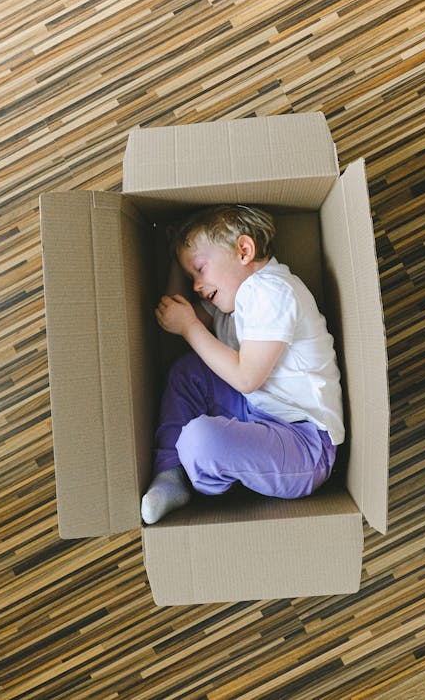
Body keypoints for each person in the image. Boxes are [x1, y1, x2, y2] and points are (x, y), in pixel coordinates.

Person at [141, 204, 344, 524]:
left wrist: (190, 326)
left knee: (201, 438)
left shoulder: (272, 291)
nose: (195, 284)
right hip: (256, 413)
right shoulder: (230, 303)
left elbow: (246, 377)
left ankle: (211, 469)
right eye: (190, 275)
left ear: (244, 250)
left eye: (199, 269)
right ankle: (170, 475)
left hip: (304, 444)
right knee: (187, 372)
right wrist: (176, 259)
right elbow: (175, 313)